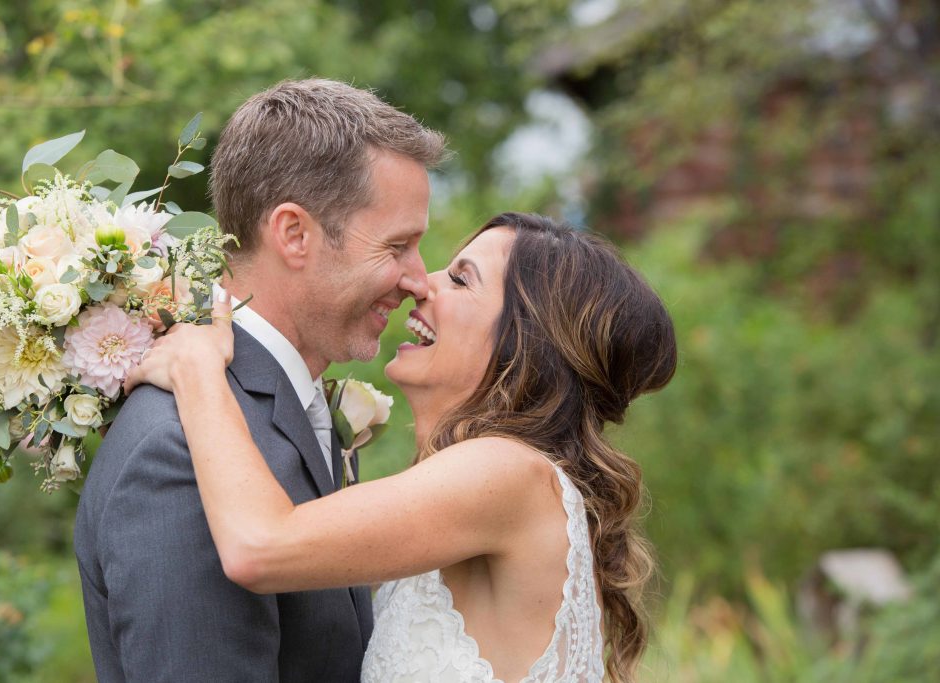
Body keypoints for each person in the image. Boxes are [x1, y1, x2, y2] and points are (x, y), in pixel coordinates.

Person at [124, 212, 678, 683]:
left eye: (462, 280)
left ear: (526, 339)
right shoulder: (497, 481)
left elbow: (259, 546)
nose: (421, 283)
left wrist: (198, 368)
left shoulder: (507, 471)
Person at [74, 78, 447, 682]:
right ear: (294, 234)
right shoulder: (177, 451)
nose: (419, 279)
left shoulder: (273, 405)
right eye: (398, 246)